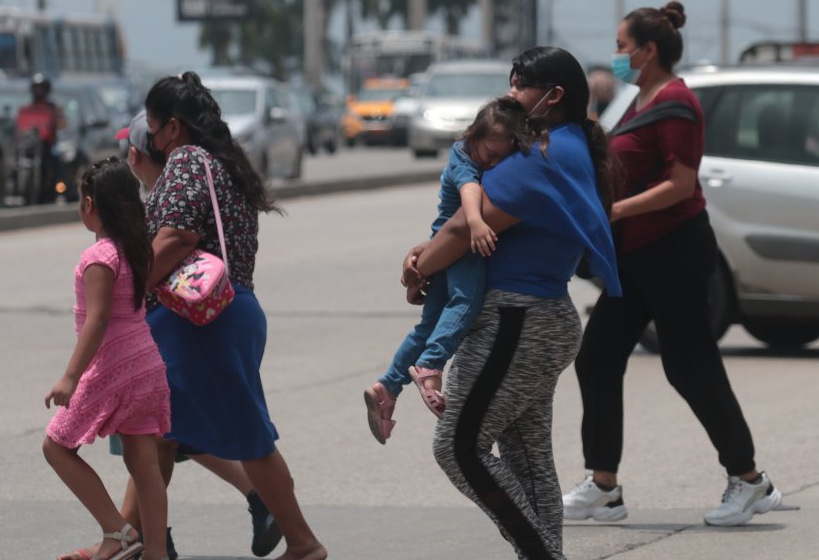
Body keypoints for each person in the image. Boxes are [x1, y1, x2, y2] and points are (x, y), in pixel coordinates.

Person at [563, 0, 781, 527]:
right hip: (637, 255)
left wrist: (612, 210)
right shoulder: (642, 102)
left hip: (674, 250)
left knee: (690, 367)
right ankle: (603, 486)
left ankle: (750, 481)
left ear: (648, 50)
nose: (616, 56)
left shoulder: (677, 103)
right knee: (597, 358)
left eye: (621, 47)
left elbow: (681, 184)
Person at [401, 46, 621, 559]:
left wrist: (418, 268)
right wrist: (429, 255)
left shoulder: (543, 152)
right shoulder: (563, 144)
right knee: (527, 459)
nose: (509, 93)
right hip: (537, 319)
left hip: (517, 322)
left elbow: (463, 225)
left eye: (519, 84)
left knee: (459, 449)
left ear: (553, 96)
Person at [141, 72, 326, 560]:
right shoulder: (223, 162)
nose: (153, 141)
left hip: (199, 322)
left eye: (155, 130)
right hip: (225, 311)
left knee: (249, 436)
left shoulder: (184, 161)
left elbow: (175, 238)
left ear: (173, 129)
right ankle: (134, 541)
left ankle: (304, 543)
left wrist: (131, 287)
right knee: (159, 435)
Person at [94, 110, 283, 560]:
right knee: (173, 434)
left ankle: (132, 537)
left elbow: (168, 249)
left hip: (173, 329)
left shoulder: (165, 202)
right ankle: (144, 534)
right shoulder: (208, 181)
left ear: (141, 153)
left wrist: (127, 293)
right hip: (206, 321)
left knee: (155, 435)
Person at [364, 97, 532, 444]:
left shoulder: (475, 150)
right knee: (465, 304)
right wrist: (477, 224)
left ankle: (387, 387)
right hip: (459, 244)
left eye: (502, 156)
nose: (494, 161)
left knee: (429, 323)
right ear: (472, 135)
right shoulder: (463, 158)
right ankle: (430, 366)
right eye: (490, 152)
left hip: (440, 242)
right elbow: (470, 191)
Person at [43, 157, 172, 560]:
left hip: (112, 367)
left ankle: (117, 531)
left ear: (89, 205)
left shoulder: (100, 256)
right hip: (146, 363)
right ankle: (153, 552)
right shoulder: (134, 251)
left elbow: (98, 321)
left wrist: (70, 376)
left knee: (57, 446)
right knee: (144, 465)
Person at [14, 73, 63, 203]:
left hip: (47, 145)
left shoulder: (53, 107)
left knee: (58, 160)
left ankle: (58, 189)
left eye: (41, 88)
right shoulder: (27, 108)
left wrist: (57, 122)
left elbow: (63, 123)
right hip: (29, 144)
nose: (39, 91)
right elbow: (20, 124)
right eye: (36, 88)